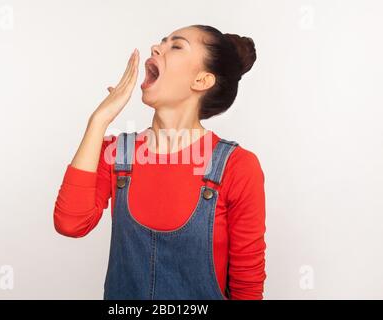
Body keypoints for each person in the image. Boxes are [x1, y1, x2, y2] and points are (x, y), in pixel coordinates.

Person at [53, 24, 266, 300]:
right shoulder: (117, 153)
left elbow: (247, 289)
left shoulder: (236, 167)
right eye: (162, 42)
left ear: (201, 81)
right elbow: (70, 223)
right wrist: (99, 120)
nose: (156, 47)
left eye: (176, 46)